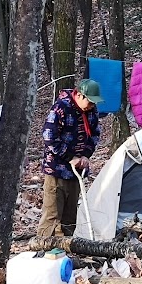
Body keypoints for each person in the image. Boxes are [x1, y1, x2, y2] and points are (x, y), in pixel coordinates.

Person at [35, 78, 101, 241]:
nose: (92, 105)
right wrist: (70, 157)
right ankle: (44, 249)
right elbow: (49, 137)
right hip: (57, 170)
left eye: (94, 103)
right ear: (79, 95)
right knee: (52, 216)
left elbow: (94, 133)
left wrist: (86, 154)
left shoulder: (91, 111)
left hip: (76, 173)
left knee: (70, 218)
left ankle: (68, 251)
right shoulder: (61, 108)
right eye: (90, 102)